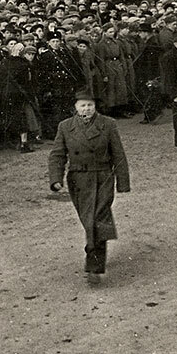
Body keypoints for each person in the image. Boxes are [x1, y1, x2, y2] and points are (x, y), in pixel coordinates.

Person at [48, 89, 130, 284]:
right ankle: (94, 249)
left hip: (103, 177)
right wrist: (55, 178)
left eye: (90, 105)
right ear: (75, 108)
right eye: (83, 105)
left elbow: (118, 154)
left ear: (95, 106)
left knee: (97, 219)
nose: (87, 109)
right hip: (78, 180)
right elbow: (57, 155)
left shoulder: (108, 125)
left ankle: (93, 266)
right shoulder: (65, 127)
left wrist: (123, 182)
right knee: (89, 222)